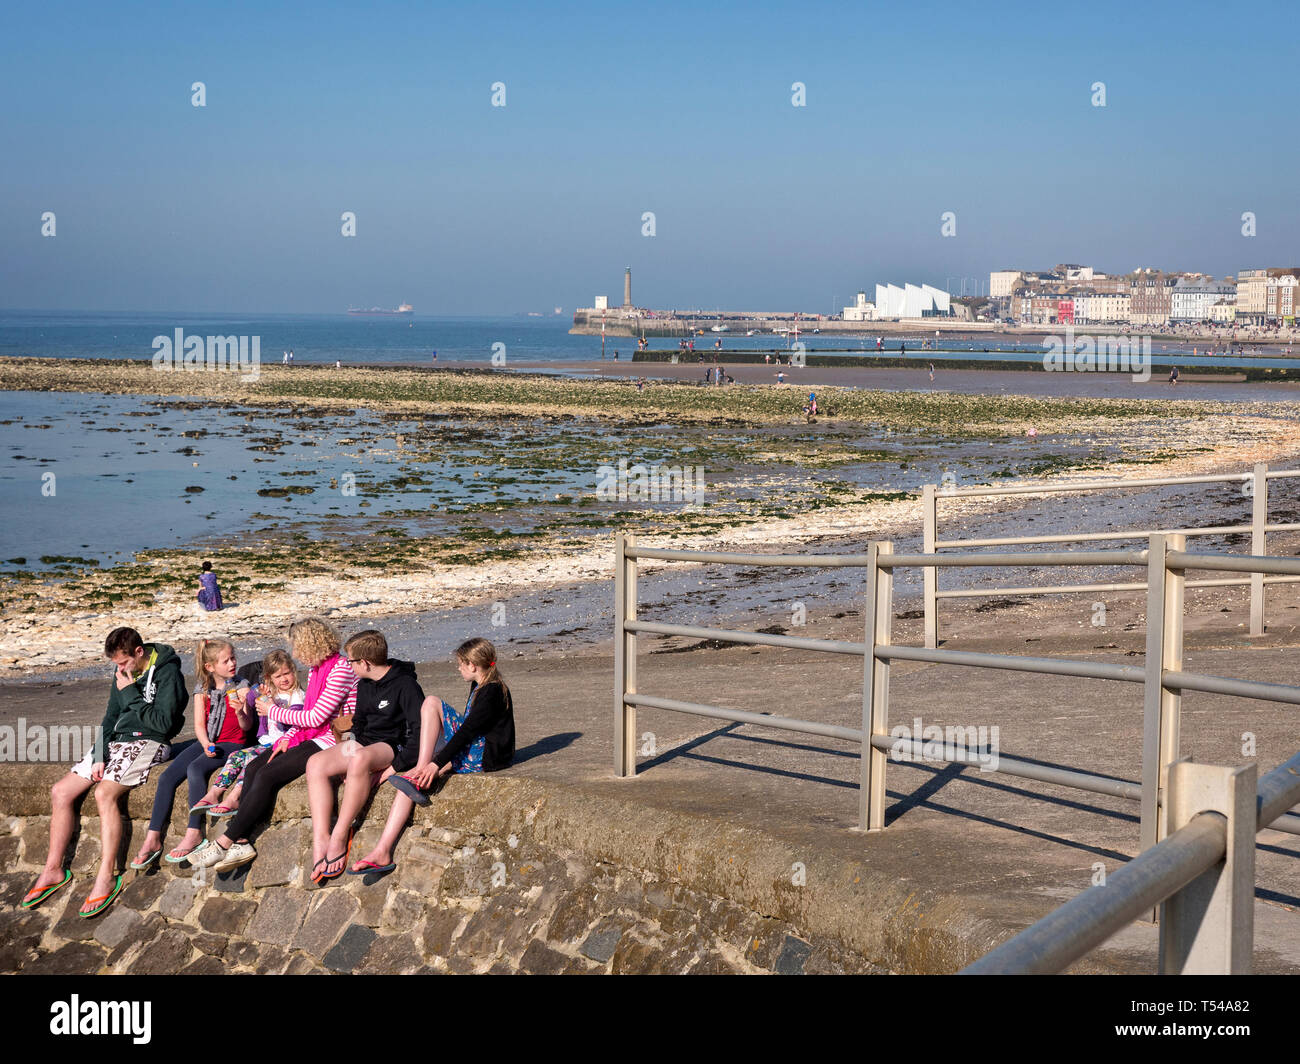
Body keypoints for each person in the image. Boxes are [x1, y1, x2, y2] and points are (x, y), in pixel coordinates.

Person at [20, 628, 187, 917]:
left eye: (123, 663)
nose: (119, 670)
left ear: (139, 652)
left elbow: (163, 724)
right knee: (60, 792)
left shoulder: (167, 672)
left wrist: (131, 693)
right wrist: (99, 754)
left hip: (150, 743)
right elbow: (110, 716)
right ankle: (53, 870)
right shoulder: (122, 673)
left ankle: (106, 876)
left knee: (104, 794)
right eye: (115, 665)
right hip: (118, 741)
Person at [189, 618, 358, 872]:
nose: (296, 655)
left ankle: (224, 842)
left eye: (298, 648)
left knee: (268, 775)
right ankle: (242, 841)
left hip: (334, 739)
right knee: (257, 765)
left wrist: (273, 711)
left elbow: (317, 717)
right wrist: (288, 738)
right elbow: (310, 716)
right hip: (312, 734)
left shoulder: (340, 668)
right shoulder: (316, 669)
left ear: (311, 644)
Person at [353, 637, 515, 876]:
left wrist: (436, 764)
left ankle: (419, 770)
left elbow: (467, 732)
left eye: (461, 663)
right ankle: (382, 850)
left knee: (431, 702)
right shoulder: (482, 684)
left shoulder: (491, 692)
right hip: (477, 748)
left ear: (473, 665)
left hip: (486, 756)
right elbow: (469, 730)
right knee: (408, 783)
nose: (458, 668)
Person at [307, 630, 426, 882]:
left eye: (350, 661)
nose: (348, 666)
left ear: (365, 663)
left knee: (360, 760)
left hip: (392, 747)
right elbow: (359, 726)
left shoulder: (406, 685)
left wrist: (394, 768)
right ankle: (321, 838)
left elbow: (418, 733)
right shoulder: (364, 685)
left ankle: (340, 834)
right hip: (364, 744)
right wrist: (347, 749)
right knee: (315, 763)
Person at [132, 639, 254, 866]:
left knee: (196, 768)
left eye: (233, 658)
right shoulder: (203, 689)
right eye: (225, 660)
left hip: (234, 743)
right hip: (209, 741)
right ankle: (153, 837)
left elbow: (247, 727)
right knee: (168, 776)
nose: (232, 663)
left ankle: (194, 832)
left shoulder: (242, 687)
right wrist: (206, 743)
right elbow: (199, 725)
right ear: (210, 667)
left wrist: (240, 713)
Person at [193, 649, 301, 818]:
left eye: (287, 674)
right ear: (269, 678)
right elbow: (250, 699)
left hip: (283, 745)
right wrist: (248, 699)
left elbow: (294, 723)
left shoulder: (297, 696)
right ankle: (214, 793)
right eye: (278, 677)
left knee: (252, 762)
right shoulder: (269, 692)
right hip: (265, 743)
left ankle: (235, 797)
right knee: (236, 756)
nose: (284, 679)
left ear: (294, 671)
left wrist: (271, 706)